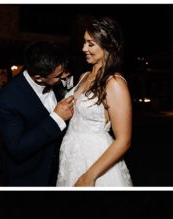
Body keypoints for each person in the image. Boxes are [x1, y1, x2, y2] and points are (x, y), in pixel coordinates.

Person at [56, 15, 133, 187]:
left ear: (108, 45)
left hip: (95, 159)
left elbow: (124, 140)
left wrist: (90, 175)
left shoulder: (114, 83)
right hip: (71, 153)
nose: (84, 48)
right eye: (84, 42)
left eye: (90, 44)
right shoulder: (84, 76)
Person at [0, 42, 74, 187]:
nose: (64, 77)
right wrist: (57, 119)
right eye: (58, 76)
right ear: (38, 77)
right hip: (30, 175)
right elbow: (17, 147)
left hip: (60, 170)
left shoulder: (55, 78)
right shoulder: (6, 99)